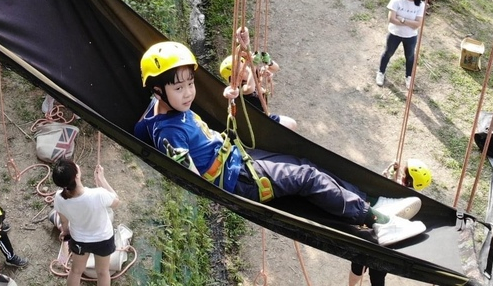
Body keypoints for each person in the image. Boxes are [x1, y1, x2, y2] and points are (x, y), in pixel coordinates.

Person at [135, 41, 427, 247]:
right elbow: (191, 177)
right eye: (178, 87)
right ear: (159, 90)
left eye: (190, 84)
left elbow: (142, 125)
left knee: (305, 163)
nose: (188, 93)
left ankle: (372, 202)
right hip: (238, 179)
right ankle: (377, 221)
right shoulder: (168, 132)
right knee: (306, 177)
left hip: (236, 158)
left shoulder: (157, 109)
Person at [348, 159, 433, 286]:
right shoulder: (414, 203)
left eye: (404, 174)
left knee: (358, 266)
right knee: (377, 277)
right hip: (386, 244)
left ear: (407, 180)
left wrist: (389, 176)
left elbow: (387, 190)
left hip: (370, 233)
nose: (402, 176)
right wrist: (391, 173)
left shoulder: (396, 194)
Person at [51, 159, 120, 286]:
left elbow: (64, 221)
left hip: (79, 240)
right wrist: (102, 180)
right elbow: (116, 201)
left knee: (76, 271)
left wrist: (65, 231)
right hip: (103, 239)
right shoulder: (98, 194)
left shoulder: (58, 198)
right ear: (77, 175)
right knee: (103, 272)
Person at [220, 26, 297, 129]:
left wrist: (268, 62)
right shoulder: (238, 90)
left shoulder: (252, 73)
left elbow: (276, 68)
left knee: (292, 124)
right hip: (256, 121)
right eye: (239, 72)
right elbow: (250, 88)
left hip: (263, 116)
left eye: (244, 67)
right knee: (291, 124)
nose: (245, 71)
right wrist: (254, 64)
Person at [376, 0, 427, 90]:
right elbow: (391, 19)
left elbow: (417, 24)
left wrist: (402, 20)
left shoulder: (421, 5)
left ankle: (409, 77)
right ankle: (381, 72)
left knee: (409, 57)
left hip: (411, 36)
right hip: (394, 33)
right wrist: (410, 23)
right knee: (388, 53)